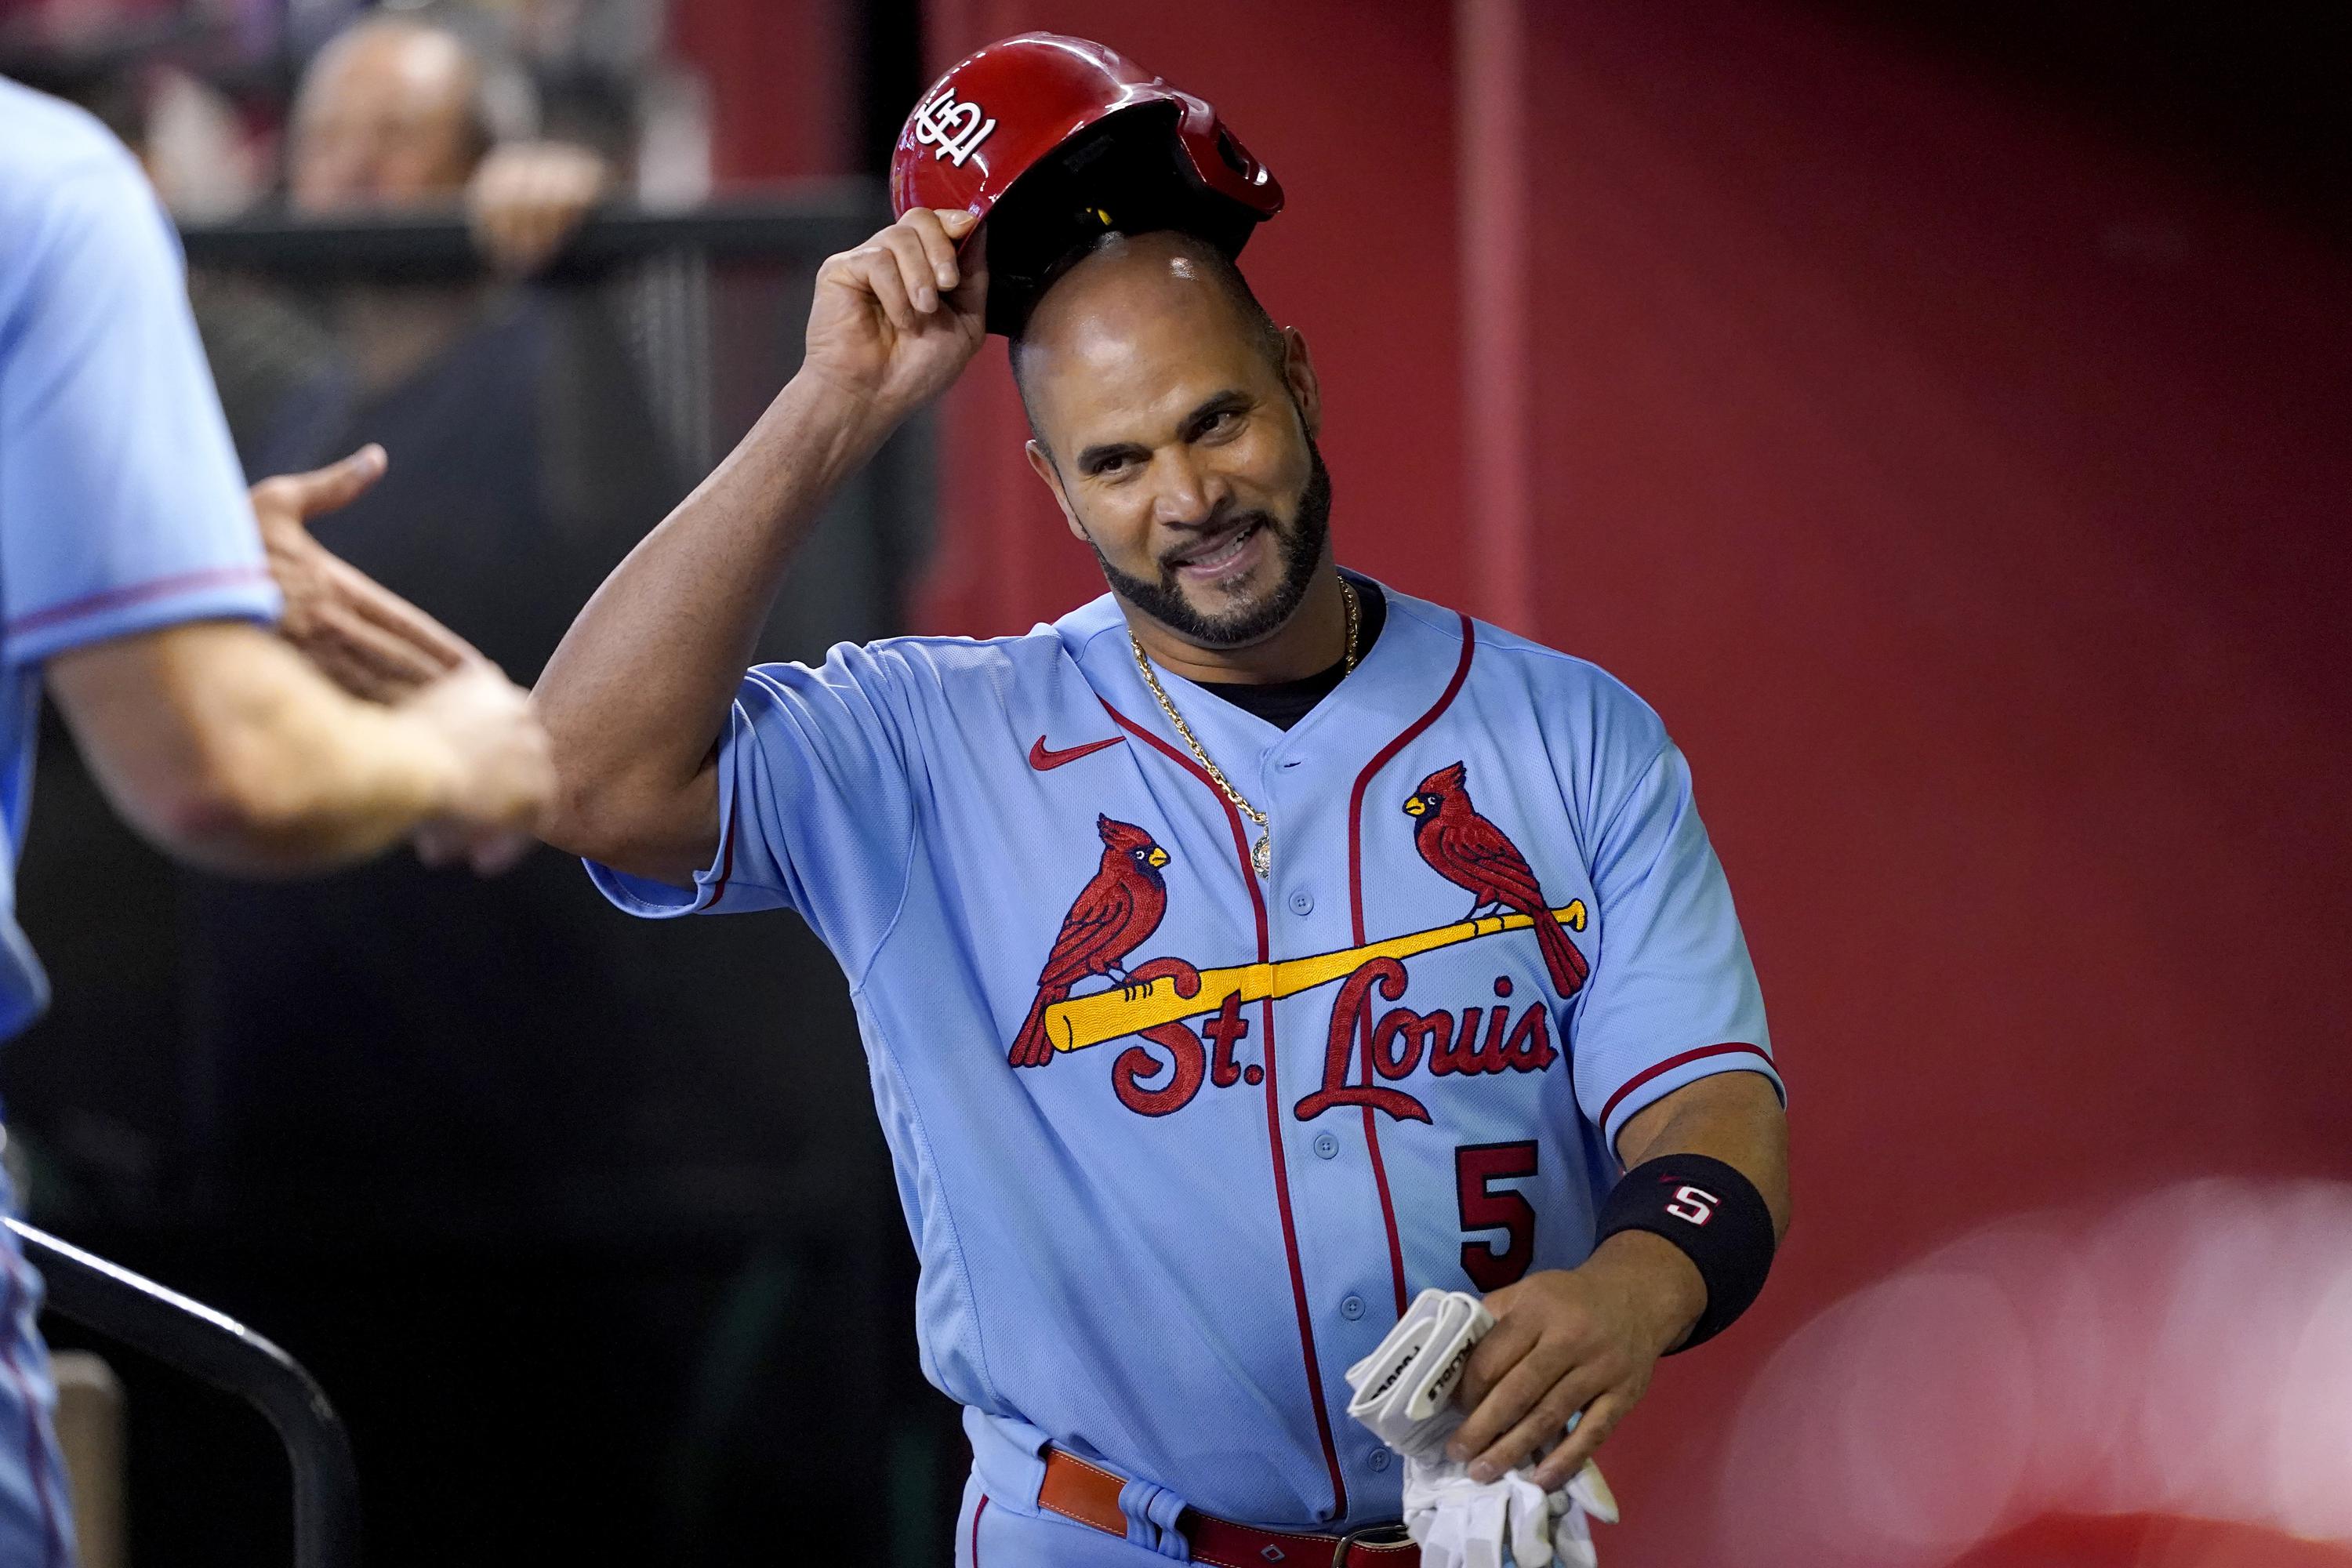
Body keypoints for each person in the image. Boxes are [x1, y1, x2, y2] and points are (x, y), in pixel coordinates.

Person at [533, 42, 1790, 1566]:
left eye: (1216, 422)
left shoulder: (1572, 737)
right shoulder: (934, 743)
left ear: (1301, 385)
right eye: (1116, 461)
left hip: (1474, 1539)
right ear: (1056, 492)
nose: (1186, 498)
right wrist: (833, 405)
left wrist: (1639, 1283)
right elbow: (588, 776)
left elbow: (1708, 1097)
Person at [0, 78, 552, 1564]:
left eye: (400, 128)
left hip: (465, 1117)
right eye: (333, 133)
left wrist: (148, 557)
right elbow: (214, 766)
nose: (357, 164)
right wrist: (455, 754)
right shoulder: (46, 191)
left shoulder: (531, 366)